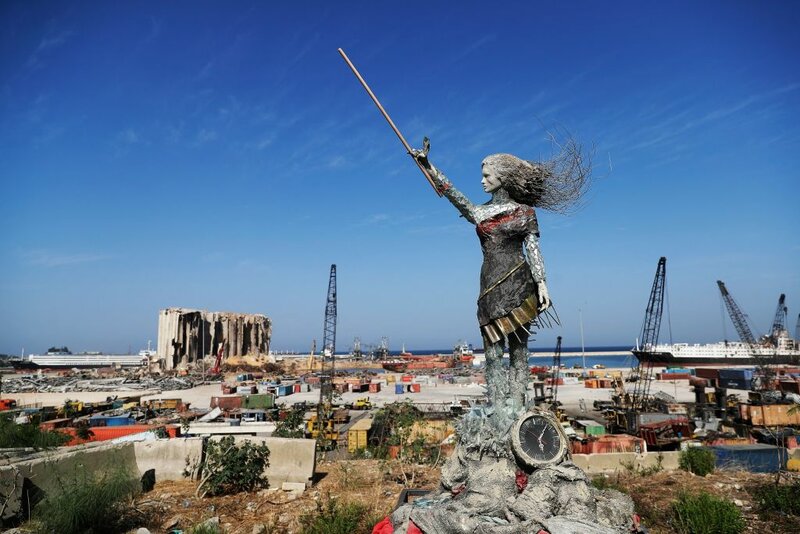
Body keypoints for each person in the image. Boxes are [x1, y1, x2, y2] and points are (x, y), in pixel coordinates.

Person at [412, 137, 588, 410]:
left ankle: (517, 407)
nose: (482, 181)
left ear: (503, 179)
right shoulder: (479, 212)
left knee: (519, 351)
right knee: (492, 353)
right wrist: (428, 165)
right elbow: (452, 193)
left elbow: (533, 248)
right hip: (490, 287)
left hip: (520, 283)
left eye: (487, 176)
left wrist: (542, 283)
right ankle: (496, 408)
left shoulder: (525, 212)